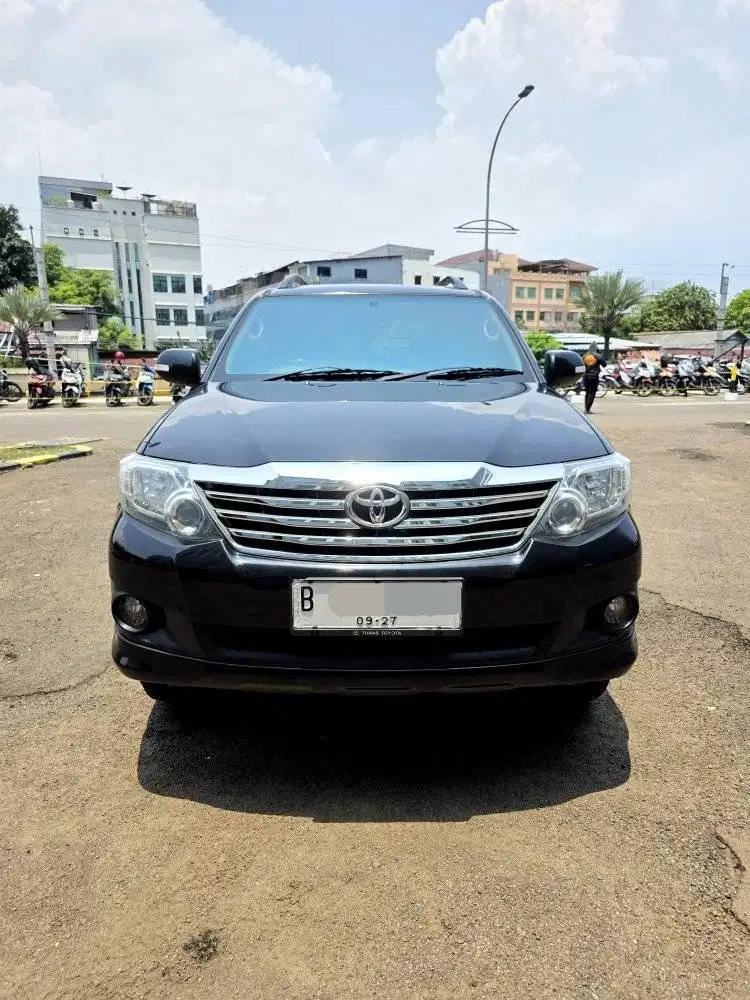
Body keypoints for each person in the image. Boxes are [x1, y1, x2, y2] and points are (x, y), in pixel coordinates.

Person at [581, 341, 605, 414]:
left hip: (585, 376)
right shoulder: (598, 355)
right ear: (596, 348)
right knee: (592, 392)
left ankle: (586, 409)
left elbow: (581, 366)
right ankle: (587, 410)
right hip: (594, 376)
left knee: (587, 392)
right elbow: (604, 364)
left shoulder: (584, 356)